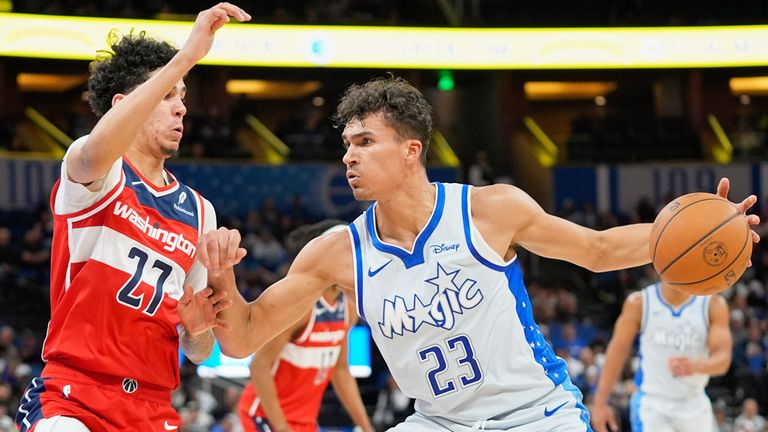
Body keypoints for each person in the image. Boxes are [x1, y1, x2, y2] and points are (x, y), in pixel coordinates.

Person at [199, 76, 760, 431]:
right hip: (439, 422)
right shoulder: (335, 253)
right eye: (346, 145)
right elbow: (244, 337)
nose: (349, 156)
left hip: (536, 415)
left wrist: (700, 230)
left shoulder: (489, 210)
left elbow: (597, 249)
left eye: (365, 142)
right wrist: (222, 278)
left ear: (412, 150)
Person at [15, 4, 251, 432]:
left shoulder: (199, 211)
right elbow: (97, 148)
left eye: (182, 96)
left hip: (153, 407)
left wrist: (197, 330)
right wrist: (187, 56)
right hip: (75, 399)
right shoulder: (96, 172)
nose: (181, 108)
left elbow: (198, 349)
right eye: (166, 95)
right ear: (126, 105)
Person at [237, 220, 374, 432]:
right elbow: (259, 366)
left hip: (305, 422)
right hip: (267, 416)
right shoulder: (301, 306)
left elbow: (340, 370)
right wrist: (281, 428)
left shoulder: (348, 307)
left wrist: (367, 427)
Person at [590, 279, 732, 432]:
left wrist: (696, 366)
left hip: (695, 402)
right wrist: (600, 402)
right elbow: (617, 353)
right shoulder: (640, 303)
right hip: (652, 404)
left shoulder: (713, 304)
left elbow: (723, 360)